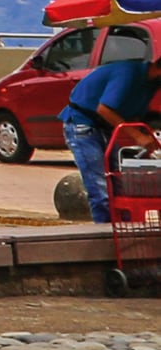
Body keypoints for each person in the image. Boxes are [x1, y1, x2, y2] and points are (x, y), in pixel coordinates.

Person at [65, 19, 154, 226]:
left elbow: (135, 114)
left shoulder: (150, 84)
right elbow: (105, 109)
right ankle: (105, 233)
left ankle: (126, 229)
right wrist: (137, 136)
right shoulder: (129, 74)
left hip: (105, 127)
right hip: (83, 124)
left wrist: (147, 136)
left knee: (119, 184)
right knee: (100, 187)